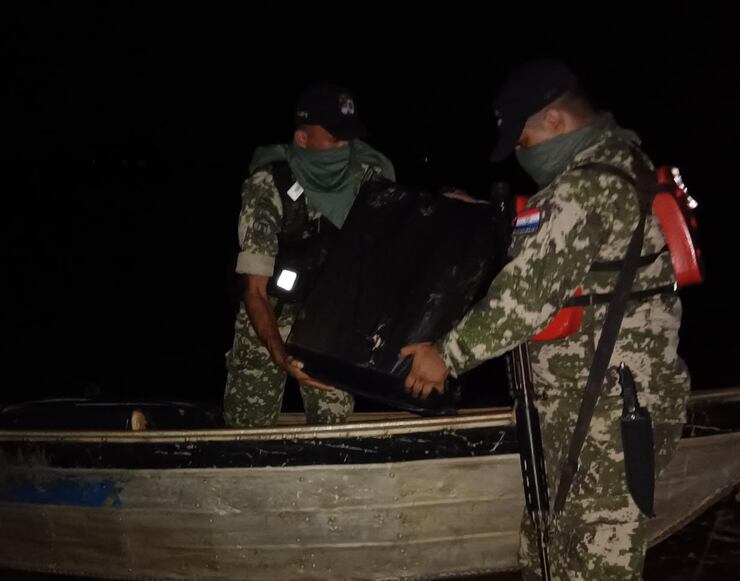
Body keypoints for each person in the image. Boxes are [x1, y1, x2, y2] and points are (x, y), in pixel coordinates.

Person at [401, 59, 690, 580]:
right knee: (551, 553)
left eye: (524, 137)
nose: (520, 151)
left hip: (604, 415)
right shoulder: (623, 162)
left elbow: (524, 298)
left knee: (594, 562)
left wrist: (445, 355)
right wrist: (490, 216)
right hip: (601, 404)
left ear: (554, 120)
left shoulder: (584, 186)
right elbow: (568, 245)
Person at [225, 83, 395, 427]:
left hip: (328, 315)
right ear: (302, 139)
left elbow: (402, 216)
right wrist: (279, 351)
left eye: (349, 138)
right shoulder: (268, 186)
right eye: (334, 138)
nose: (344, 147)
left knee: (336, 424)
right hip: (269, 310)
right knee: (247, 427)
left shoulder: (365, 175)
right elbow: (254, 290)